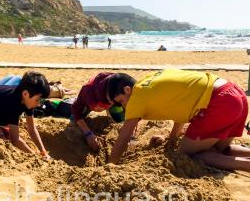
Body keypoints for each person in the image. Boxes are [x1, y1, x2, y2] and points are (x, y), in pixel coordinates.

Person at [107, 69, 250, 172]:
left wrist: (110, 165)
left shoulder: (136, 97)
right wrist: (171, 140)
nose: (123, 106)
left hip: (220, 102)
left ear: (127, 90)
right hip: (236, 93)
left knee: (190, 155)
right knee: (221, 150)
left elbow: (123, 139)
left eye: (121, 101)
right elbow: (180, 107)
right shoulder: (150, 80)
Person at [71, 73, 124, 150]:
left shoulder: (119, 89)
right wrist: (88, 134)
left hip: (112, 95)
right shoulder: (88, 92)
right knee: (74, 121)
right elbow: (75, 109)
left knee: (119, 119)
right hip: (91, 96)